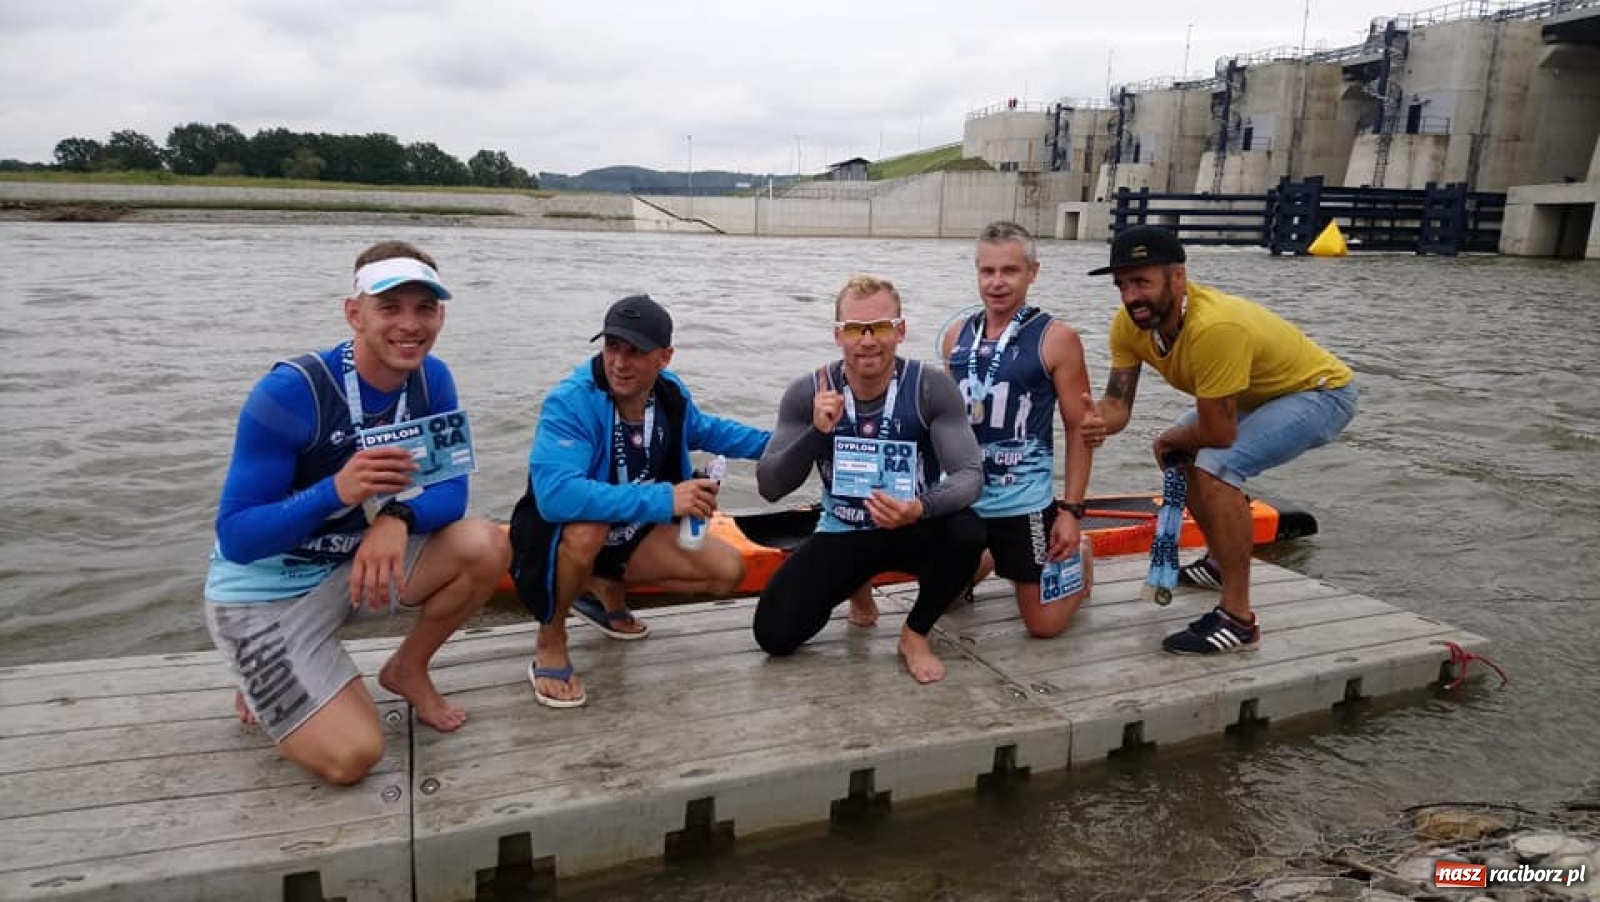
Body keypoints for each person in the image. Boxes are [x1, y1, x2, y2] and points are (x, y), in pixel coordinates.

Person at [203, 241, 510, 785]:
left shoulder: (431, 379)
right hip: (264, 594)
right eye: (390, 307)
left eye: (425, 308)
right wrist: (336, 492)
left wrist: (396, 519)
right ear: (354, 313)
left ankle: (406, 669)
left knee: (486, 545)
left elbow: (452, 493)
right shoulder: (289, 392)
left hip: (351, 569)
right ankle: (261, 667)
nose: (410, 326)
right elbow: (237, 538)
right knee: (355, 758)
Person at [1080, 225, 1358, 654]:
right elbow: (1118, 405)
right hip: (1251, 392)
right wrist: (1093, 419)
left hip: (1321, 393)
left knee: (1216, 468)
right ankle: (1216, 561)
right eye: (1122, 284)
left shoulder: (1214, 327)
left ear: (1178, 277)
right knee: (1179, 453)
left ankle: (1239, 620)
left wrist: (1167, 437)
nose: (1131, 296)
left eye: (1142, 281)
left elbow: (1219, 433)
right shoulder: (1129, 326)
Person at [509, 294, 770, 708]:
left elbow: (710, 431)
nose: (619, 362)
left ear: (664, 357)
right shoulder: (571, 400)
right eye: (612, 346)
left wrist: (783, 445)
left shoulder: (668, 394)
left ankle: (604, 586)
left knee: (728, 572)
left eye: (635, 351)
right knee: (587, 528)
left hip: (629, 530)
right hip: (558, 534)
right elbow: (557, 497)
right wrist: (666, 498)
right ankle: (551, 637)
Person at [753, 275, 985, 684]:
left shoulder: (931, 387)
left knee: (968, 530)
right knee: (774, 634)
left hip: (911, 523)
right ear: (837, 335)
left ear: (900, 330)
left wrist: (920, 507)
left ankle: (914, 635)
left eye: (879, 327)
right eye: (854, 330)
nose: (867, 341)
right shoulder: (806, 392)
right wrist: (816, 433)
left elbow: (970, 476)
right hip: (844, 529)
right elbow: (770, 486)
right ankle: (858, 582)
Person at [941, 221, 1096, 638]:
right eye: (987, 271)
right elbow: (945, 424)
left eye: (1009, 271)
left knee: (1043, 628)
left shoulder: (1057, 338)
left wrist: (1071, 512)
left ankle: (1078, 557)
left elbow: (1079, 429)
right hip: (966, 499)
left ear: (1033, 272)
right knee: (943, 603)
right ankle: (987, 557)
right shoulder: (956, 336)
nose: (997, 283)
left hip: (1022, 501)